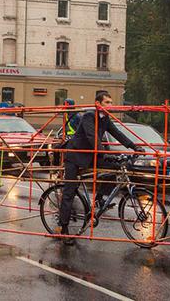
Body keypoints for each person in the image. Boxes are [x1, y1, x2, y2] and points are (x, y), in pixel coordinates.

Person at [59, 92, 143, 244]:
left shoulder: (105, 118)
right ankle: (64, 228)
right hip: (76, 155)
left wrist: (135, 147)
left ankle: (99, 199)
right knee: (69, 192)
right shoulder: (89, 116)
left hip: (92, 155)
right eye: (107, 102)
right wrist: (104, 153)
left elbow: (117, 133)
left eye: (111, 102)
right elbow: (92, 137)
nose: (110, 105)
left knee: (116, 167)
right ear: (98, 104)